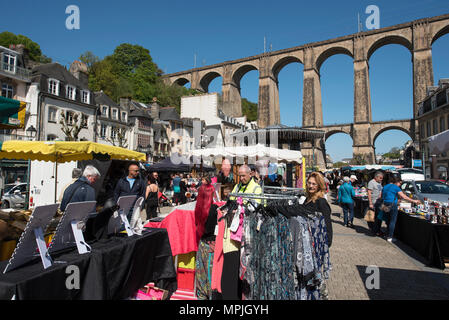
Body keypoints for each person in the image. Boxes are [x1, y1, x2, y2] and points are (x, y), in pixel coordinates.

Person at [303, 172, 333, 299]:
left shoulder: (321, 202)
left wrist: (325, 246)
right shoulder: (307, 199)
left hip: (316, 247)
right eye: (309, 183)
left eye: (314, 184)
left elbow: (327, 227)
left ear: (319, 186)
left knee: (314, 279)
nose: (310, 186)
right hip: (307, 245)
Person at [373, 176, 420, 242]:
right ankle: (389, 237)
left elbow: (381, 196)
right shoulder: (396, 187)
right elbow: (404, 196)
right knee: (392, 221)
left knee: (387, 220)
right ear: (396, 182)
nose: (400, 185)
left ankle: (386, 234)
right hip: (392, 205)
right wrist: (414, 201)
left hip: (384, 204)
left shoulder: (385, 186)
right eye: (399, 183)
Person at [194, 174, 215, 244]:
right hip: (209, 207)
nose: (202, 181)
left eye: (203, 180)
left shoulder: (202, 188)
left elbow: (200, 201)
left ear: (207, 181)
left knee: (202, 225)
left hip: (203, 208)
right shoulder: (212, 187)